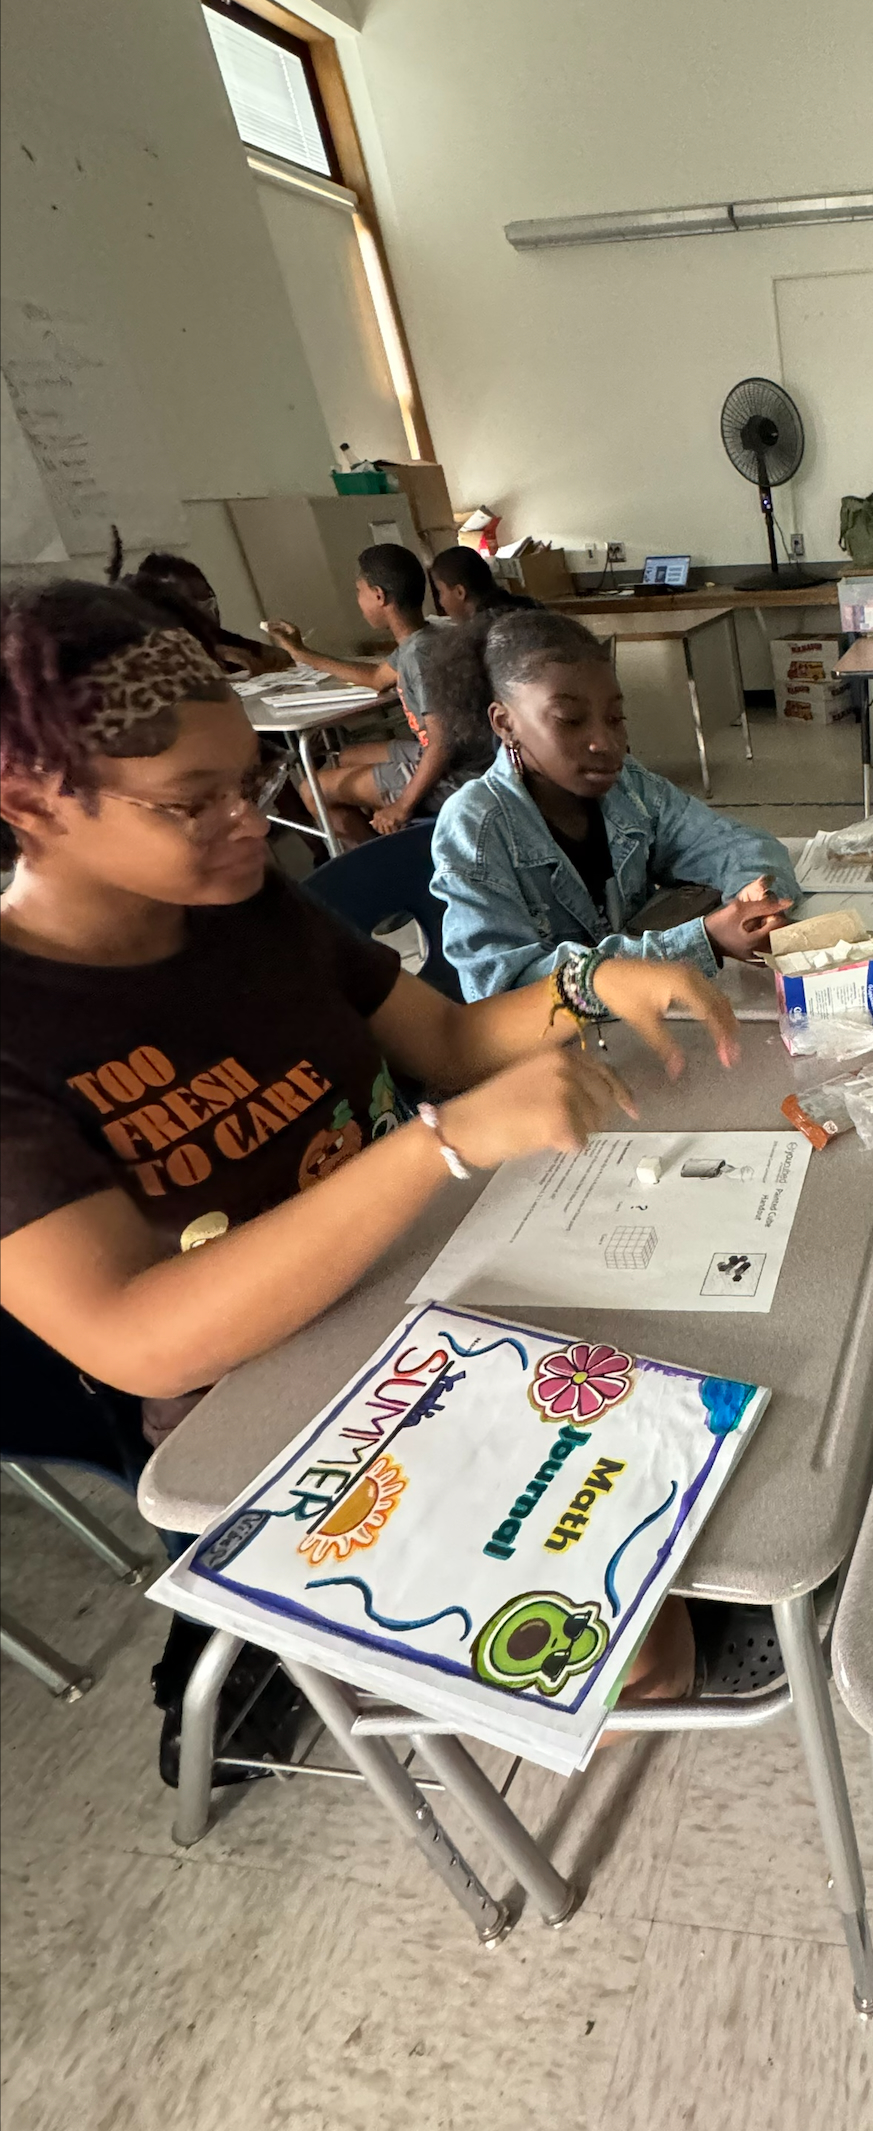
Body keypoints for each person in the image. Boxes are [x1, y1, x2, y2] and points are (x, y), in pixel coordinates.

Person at [0, 581, 740, 1747]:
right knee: (649, 1644)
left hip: (427, 1281)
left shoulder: (244, 910)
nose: (250, 823)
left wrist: (591, 982)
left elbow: (443, 1039)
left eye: (250, 783)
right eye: (194, 802)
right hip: (266, 1394)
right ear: (31, 799)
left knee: (732, 1341)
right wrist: (438, 1144)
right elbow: (134, 1333)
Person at [425, 610, 796, 1000]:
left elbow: (741, 846)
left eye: (615, 718)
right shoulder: (476, 826)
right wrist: (701, 942)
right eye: (570, 720)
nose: (604, 743)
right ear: (504, 723)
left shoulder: (629, 788)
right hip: (555, 1051)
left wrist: (755, 907)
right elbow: (506, 992)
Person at [264, 543, 478, 840]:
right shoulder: (424, 638)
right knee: (345, 758)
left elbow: (442, 743)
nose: (359, 600)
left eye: (359, 591)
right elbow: (377, 677)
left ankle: (378, 855)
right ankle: (383, 837)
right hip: (455, 757)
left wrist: (402, 806)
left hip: (458, 775)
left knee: (312, 790)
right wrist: (302, 653)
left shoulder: (420, 656)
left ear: (379, 596)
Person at [104, 533, 288, 675]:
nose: (206, 609)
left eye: (208, 597)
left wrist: (283, 653)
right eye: (192, 601)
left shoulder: (218, 637)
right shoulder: (141, 651)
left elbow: (278, 657)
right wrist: (207, 657)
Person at [429, 545, 521, 623]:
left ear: (460, 592)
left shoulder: (485, 636)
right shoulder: (523, 606)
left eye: (441, 592)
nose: (441, 602)